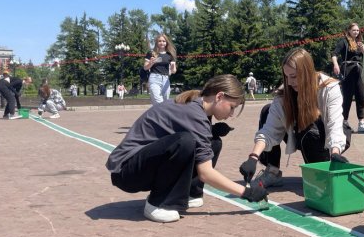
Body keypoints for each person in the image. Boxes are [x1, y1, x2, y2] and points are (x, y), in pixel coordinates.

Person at [106, 74, 268, 223]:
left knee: (213, 142)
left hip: (139, 166)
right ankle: (157, 203)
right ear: (219, 96)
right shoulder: (194, 113)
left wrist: (210, 132)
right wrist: (246, 192)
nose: (232, 114)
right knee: (184, 142)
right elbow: (206, 173)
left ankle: (191, 192)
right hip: (126, 173)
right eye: (232, 107)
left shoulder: (198, 105)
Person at [241, 48, 349, 188]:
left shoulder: (329, 88)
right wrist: (253, 158)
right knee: (267, 110)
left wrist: (335, 152)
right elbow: (269, 130)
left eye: (293, 76)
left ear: (306, 72)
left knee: (319, 183)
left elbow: (334, 124)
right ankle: (272, 171)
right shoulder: (283, 95)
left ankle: (325, 164)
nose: (289, 81)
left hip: (322, 136)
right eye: (286, 76)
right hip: (299, 133)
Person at [331, 23, 364, 133]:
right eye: (354, 30)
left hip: (359, 70)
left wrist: (363, 50)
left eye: (357, 30)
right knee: (347, 97)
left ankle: (361, 122)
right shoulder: (344, 42)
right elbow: (334, 54)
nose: (356, 32)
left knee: (361, 96)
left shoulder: (359, 43)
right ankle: (344, 121)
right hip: (348, 70)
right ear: (349, 31)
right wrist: (336, 64)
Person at [144, 33, 177, 105]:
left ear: (166, 42)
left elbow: (173, 71)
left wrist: (172, 67)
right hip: (154, 78)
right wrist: (151, 63)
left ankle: (158, 115)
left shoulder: (170, 54)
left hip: (166, 79)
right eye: (160, 41)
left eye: (163, 41)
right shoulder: (151, 53)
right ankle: (161, 114)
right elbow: (145, 67)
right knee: (158, 101)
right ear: (156, 42)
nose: (162, 43)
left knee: (165, 102)